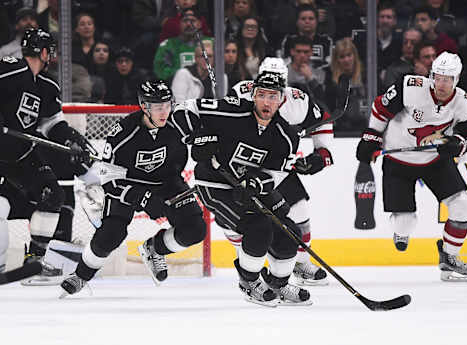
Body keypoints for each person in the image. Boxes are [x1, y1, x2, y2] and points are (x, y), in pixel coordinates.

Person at [171, 71, 313, 306]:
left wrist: (257, 184)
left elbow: (275, 175)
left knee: (290, 232)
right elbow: (184, 108)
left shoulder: (286, 136)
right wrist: (196, 137)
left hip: (251, 188)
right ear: (253, 95)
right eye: (262, 95)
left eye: (273, 96)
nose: (267, 102)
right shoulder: (232, 110)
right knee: (259, 227)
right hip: (214, 183)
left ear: (281, 100)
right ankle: (249, 282)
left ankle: (278, 284)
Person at [60, 80, 207, 296]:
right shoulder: (123, 133)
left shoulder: (177, 124)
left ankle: (155, 249)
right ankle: (81, 275)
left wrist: (207, 149)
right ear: (144, 107)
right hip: (129, 185)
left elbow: (206, 137)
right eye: (158, 107)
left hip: (167, 182)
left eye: (167, 105)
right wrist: (143, 198)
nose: (164, 112)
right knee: (111, 234)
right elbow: (108, 179)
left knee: (196, 229)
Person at [356, 52, 467, 282]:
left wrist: (459, 145)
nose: (442, 84)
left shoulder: (465, 104)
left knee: (464, 206)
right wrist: (371, 137)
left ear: (457, 79)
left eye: (448, 79)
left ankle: (449, 258)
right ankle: (401, 230)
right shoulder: (410, 86)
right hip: (398, 161)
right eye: (438, 77)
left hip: (435, 161)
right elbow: (380, 108)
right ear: (431, 75)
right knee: (405, 223)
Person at [228, 57, 331, 286]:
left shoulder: (297, 100)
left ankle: (301, 264)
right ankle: (247, 266)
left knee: (300, 210)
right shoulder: (240, 93)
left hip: (277, 169)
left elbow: (323, 120)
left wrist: (321, 154)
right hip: (242, 169)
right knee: (238, 219)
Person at [0, 28, 92, 278]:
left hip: (22, 155)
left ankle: (37, 258)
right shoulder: (9, 70)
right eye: (50, 50)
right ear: (43, 52)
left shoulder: (47, 85)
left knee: (53, 195)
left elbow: (52, 124)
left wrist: (70, 138)